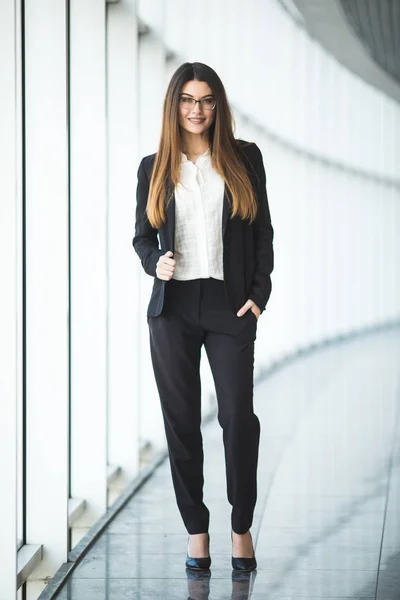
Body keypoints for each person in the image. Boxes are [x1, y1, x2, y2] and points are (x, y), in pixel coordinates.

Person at [132, 62, 274, 572]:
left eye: (207, 100)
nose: (197, 109)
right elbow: (141, 238)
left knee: (238, 418)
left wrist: (259, 294)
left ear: (218, 105)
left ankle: (240, 526)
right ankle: (197, 531)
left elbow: (262, 232)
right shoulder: (154, 167)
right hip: (172, 310)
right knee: (182, 425)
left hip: (228, 304)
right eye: (188, 100)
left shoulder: (243, 159)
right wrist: (155, 262)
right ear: (175, 106)